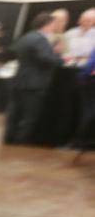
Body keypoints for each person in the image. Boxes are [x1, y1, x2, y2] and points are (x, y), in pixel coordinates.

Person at [4, 12, 64, 145]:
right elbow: (46, 59)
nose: (55, 27)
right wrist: (58, 57)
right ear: (47, 25)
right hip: (34, 83)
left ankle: (8, 138)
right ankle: (21, 140)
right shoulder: (41, 39)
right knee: (29, 115)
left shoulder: (26, 37)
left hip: (19, 80)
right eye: (53, 24)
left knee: (14, 112)